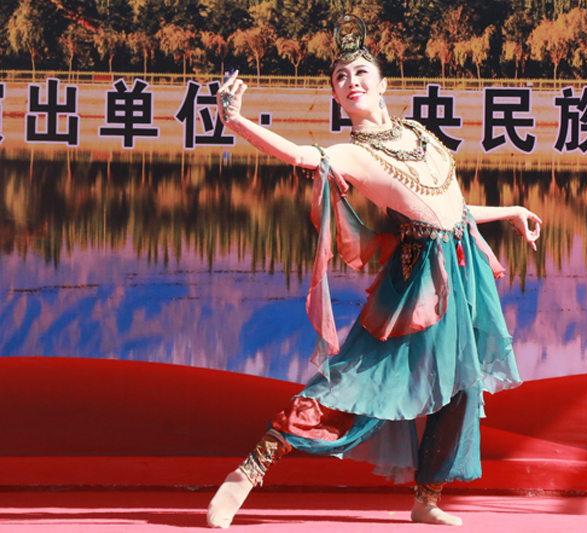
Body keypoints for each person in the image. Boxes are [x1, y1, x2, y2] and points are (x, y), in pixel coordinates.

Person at [206, 15, 542, 529]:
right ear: (336, 96)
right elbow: (299, 154)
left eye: (361, 71)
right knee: (355, 382)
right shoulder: (353, 153)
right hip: (415, 283)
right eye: (341, 77)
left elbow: (451, 210)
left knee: (459, 387)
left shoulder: (421, 135)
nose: (352, 81)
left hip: (461, 272)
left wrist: (510, 211)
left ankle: (426, 499)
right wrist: (236, 122)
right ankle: (249, 471)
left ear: (383, 83)